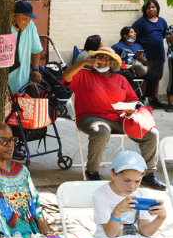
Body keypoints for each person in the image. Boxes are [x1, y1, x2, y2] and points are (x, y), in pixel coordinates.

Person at [61, 46, 164, 189]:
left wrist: (131, 107)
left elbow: (134, 100)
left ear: (112, 62)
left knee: (151, 133)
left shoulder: (121, 79)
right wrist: (83, 63)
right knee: (100, 131)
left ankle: (148, 174)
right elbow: (65, 76)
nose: (101, 60)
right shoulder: (83, 74)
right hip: (91, 117)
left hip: (120, 117)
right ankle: (92, 171)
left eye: (106, 58)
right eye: (99, 57)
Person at [132, 0, 168, 108]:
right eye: (148, 8)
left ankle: (154, 99)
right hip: (145, 56)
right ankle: (142, 99)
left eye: (153, 7)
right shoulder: (141, 22)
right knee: (145, 77)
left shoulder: (162, 21)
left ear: (157, 8)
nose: (151, 9)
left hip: (158, 55)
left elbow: (163, 36)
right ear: (145, 10)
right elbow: (132, 35)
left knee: (156, 77)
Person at [112, 26, 160, 104]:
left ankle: (145, 97)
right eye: (132, 32)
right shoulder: (117, 46)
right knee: (128, 76)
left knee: (154, 76)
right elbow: (113, 61)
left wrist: (141, 58)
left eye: (134, 32)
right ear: (125, 35)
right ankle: (127, 99)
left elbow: (145, 61)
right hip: (126, 69)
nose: (135, 33)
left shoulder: (137, 46)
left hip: (138, 69)